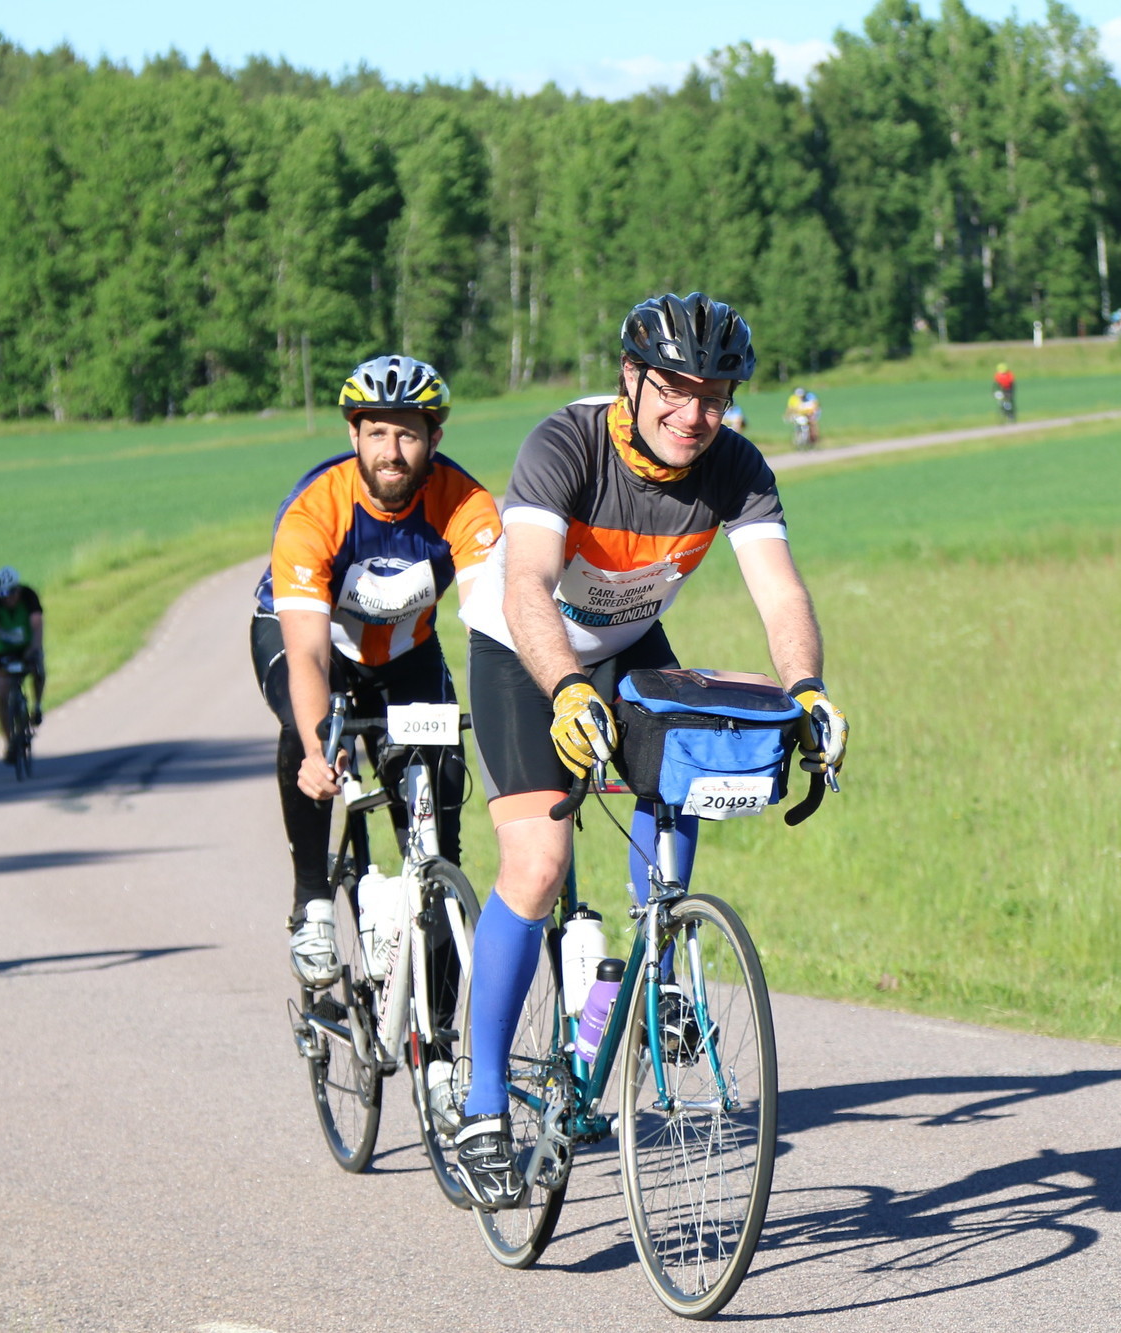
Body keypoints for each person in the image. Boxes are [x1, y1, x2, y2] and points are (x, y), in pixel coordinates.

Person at [451, 293, 849, 1207]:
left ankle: (657, 965)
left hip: (627, 642)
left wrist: (808, 689)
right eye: (674, 388)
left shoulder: (736, 465)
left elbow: (781, 593)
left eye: (713, 395)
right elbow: (526, 584)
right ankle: (482, 1104)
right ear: (631, 378)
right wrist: (565, 688)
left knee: (694, 764)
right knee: (539, 863)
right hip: (524, 648)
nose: (693, 414)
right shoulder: (567, 443)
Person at [252, 354, 501, 990]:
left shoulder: (465, 504)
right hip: (317, 645)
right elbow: (308, 655)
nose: (391, 451)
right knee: (309, 732)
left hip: (406, 653)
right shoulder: (315, 510)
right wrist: (320, 749)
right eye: (377, 433)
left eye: (408, 434)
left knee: (438, 820)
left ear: (434, 439)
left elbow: (492, 624)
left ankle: (438, 1022)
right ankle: (312, 903)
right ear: (354, 435)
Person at [0, 567, 45, 761]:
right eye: (2, 594)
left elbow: (37, 626)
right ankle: (10, 742)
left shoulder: (29, 596)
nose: (6, 598)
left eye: (10, 592)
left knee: (38, 671)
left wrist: (34, 650)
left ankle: (37, 706)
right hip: (5, 650)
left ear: (17, 589)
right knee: (1, 695)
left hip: (28, 645)